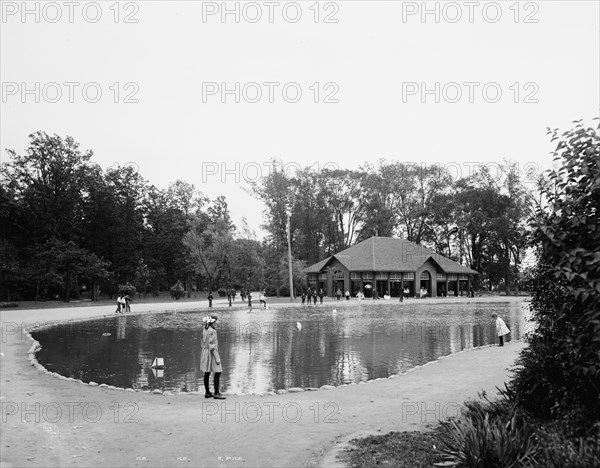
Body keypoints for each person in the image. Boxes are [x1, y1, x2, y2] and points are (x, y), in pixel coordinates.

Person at [200, 314, 225, 399]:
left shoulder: (204, 329)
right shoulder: (213, 331)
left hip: (204, 352)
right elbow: (213, 346)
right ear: (212, 322)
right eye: (215, 322)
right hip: (211, 352)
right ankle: (216, 393)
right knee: (218, 371)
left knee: (207, 372)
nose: (216, 323)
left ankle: (207, 392)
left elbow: (202, 341)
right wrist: (217, 358)